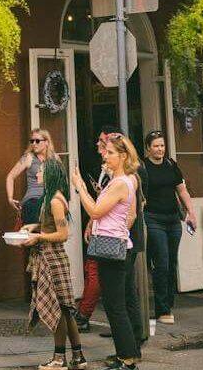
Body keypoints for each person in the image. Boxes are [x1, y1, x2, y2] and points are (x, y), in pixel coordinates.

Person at [72, 132, 140, 370]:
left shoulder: (121, 183)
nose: (106, 156)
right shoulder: (129, 180)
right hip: (120, 244)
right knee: (119, 303)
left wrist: (80, 186)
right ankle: (129, 353)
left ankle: (127, 359)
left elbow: (95, 210)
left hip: (109, 248)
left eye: (111, 152)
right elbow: (130, 215)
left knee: (114, 305)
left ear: (122, 156)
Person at [23, 157, 85, 370]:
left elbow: (62, 234)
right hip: (53, 257)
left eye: (40, 171)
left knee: (57, 310)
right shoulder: (51, 197)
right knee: (67, 311)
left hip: (52, 259)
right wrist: (35, 225)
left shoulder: (55, 201)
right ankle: (78, 357)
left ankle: (59, 360)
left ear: (49, 174)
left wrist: (39, 237)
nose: (36, 174)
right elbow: (50, 225)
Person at [139, 130, 196, 325]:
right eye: (155, 146)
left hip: (173, 219)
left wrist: (191, 212)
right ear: (148, 148)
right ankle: (162, 309)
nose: (159, 149)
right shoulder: (143, 167)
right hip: (153, 218)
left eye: (162, 145)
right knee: (161, 262)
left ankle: (169, 305)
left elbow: (182, 190)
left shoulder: (171, 165)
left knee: (172, 262)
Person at [75, 126, 122, 332]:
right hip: (100, 227)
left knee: (97, 273)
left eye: (103, 142)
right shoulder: (104, 169)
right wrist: (90, 223)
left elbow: (124, 212)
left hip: (110, 234)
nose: (98, 145)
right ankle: (119, 328)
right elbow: (100, 201)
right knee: (93, 270)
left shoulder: (120, 176)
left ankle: (83, 315)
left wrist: (80, 187)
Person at [6, 129, 53, 226]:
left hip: (50, 201)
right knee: (34, 235)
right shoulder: (29, 158)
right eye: (32, 141)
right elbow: (10, 177)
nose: (34, 144)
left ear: (47, 142)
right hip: (33, 201)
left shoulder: (54, 159)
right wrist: (10, 198)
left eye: (37, 141)